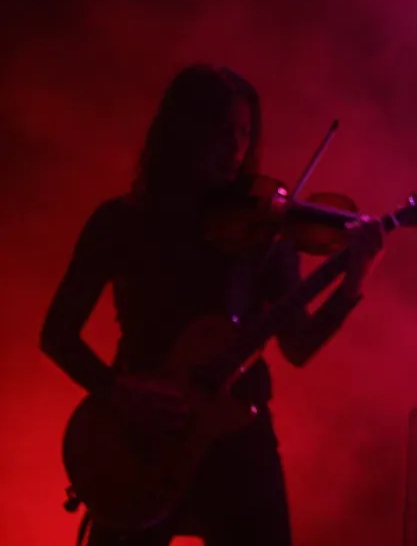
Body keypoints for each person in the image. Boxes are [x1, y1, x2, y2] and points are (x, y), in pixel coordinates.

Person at [40, 64, 386, 546]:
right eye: (221, 131)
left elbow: (299, 346)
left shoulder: (266, 230)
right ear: (183, 131)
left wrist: (353, 280)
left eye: (244, 133)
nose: (235, 148)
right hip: (141, 428)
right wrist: (115, 390)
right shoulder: (121, 221)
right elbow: (56, 333)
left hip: (235, 432)